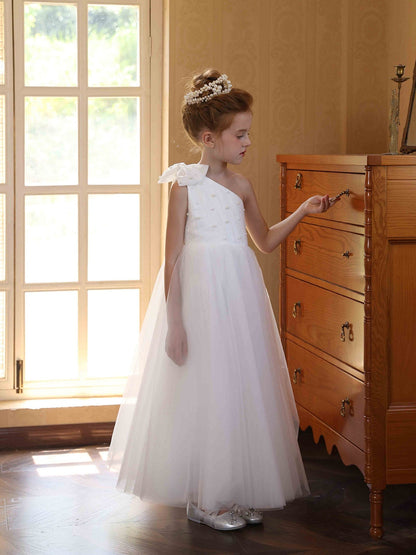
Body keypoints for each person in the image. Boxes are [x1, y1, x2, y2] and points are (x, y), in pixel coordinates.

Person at [107, 69, 338, 531]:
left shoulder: (242, 186)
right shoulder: (184, 185)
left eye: (248, 133)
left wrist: (302, 210)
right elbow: (172, 258)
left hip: (238, 299)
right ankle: (204, 499)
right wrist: (175, 323)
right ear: (209, 138)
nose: (248, 142)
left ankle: (228, 491)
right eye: (240, 134)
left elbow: (265, 241)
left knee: (236, 390)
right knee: (206, 390)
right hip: (200, 302)